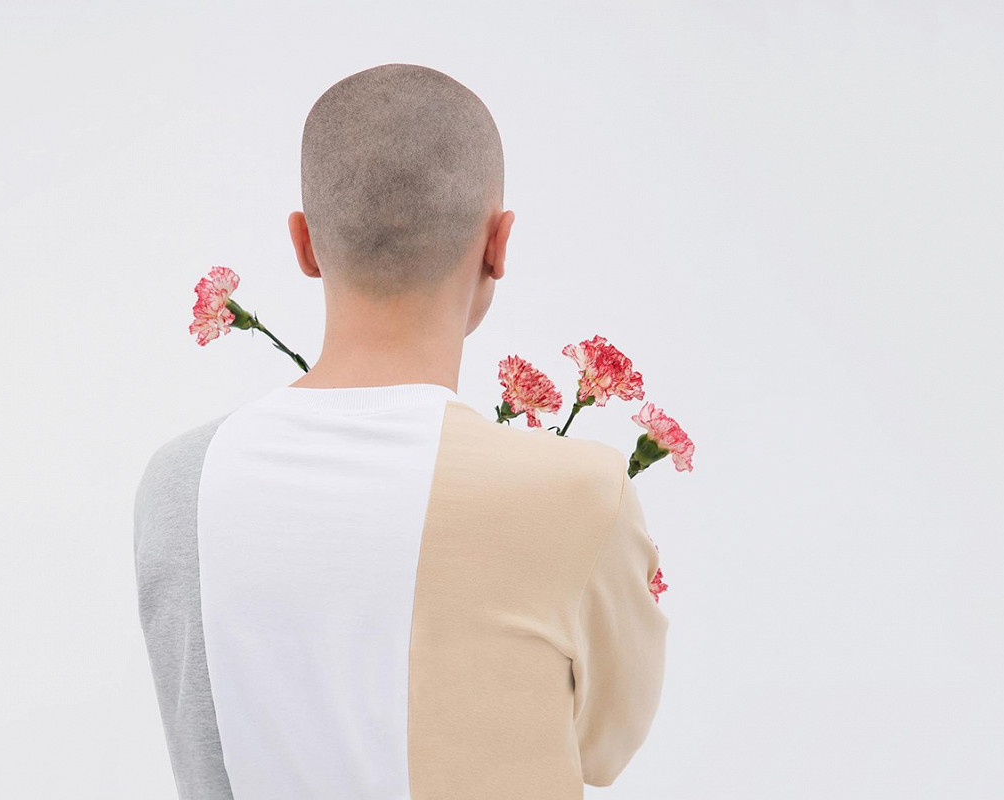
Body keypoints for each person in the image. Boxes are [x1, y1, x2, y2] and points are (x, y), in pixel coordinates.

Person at [134, 62, 669, 800]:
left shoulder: (180, 481)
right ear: (498, 243)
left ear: (305, 244)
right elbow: (603, 748)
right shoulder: (580, 493)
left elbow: (202, 756)